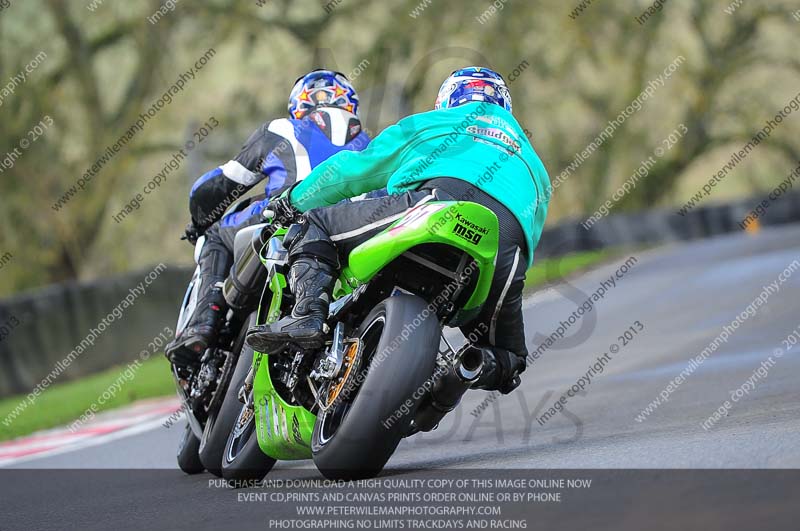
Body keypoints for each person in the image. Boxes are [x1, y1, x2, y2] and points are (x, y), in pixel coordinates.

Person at [245, 66, 551, 394]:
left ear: (445, 102)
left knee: (316, 223)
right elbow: (529, 239)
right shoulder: (534, 163)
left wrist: (292, 200)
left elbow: (350, 172)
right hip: (503, 250)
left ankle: (308, 315)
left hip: (437, 203)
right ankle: (460, 374)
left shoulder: (432, 123)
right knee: (509, 358)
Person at [166, 69, 372, 369]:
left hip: (282, 218)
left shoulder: (284, 129)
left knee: (215, 234)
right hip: (347, 228)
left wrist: (199, 219)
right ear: (349, 102)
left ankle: (202, 324)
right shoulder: (371, 142)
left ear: (299, 104)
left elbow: (221, 185)